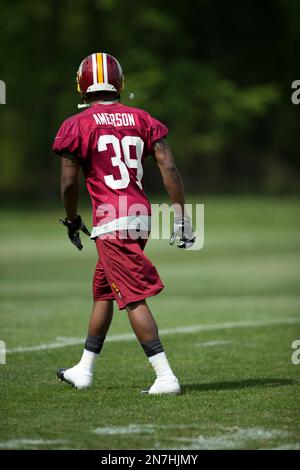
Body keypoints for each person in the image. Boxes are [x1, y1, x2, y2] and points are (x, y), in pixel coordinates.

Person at [52, 52, 195, 394]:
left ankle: (165, 377)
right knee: (104, 291)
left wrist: (72, 220)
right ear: (119, 83)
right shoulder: (142, 118)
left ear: (82, 86)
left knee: (131, 297)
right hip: (140, 216)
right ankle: (84, 369)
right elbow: (169, 168)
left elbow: (69, 184)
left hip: (110, 220)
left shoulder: (77, 125)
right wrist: (181, 215)